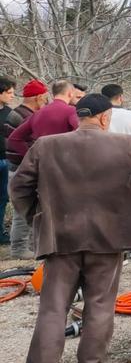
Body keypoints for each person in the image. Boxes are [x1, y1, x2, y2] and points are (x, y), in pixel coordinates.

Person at [9, 94, 131, 363]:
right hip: (109, 237)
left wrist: (38, 217)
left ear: (79, 116)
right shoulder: (126, 144)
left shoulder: (46, 145)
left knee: (54, 307)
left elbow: (19, 187)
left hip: (61, 236)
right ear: (105, 118)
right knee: (101, 303)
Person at [4, 79, 48, 259]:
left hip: (18, 167)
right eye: (44, 98)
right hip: (23, 169)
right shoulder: (25, 116)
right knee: (23, 209)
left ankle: (27, 246)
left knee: (26, 207)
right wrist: (34, 158)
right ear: (37, 97)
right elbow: (16, 143)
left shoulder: (17, 113)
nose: (46, 101)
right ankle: (20, 248)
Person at [8, 80, 79, 160]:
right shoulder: (71, 111)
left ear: (54, 94)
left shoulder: (37, 113)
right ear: (70, 93)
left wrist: (32, 157)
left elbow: (14, 138)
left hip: (42, 164)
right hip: (62, 163)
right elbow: (82, 132)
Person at [101, 84, 131, 149]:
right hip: (129, 157)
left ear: (102, 98)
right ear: (121, 97)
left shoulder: (98, 117)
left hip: (104, 157)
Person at [0, 76, 16, 245]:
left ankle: (0, 233)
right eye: (9, 92)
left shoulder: (9, 113)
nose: (12, 95)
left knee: (3, 198)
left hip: (6, 160)